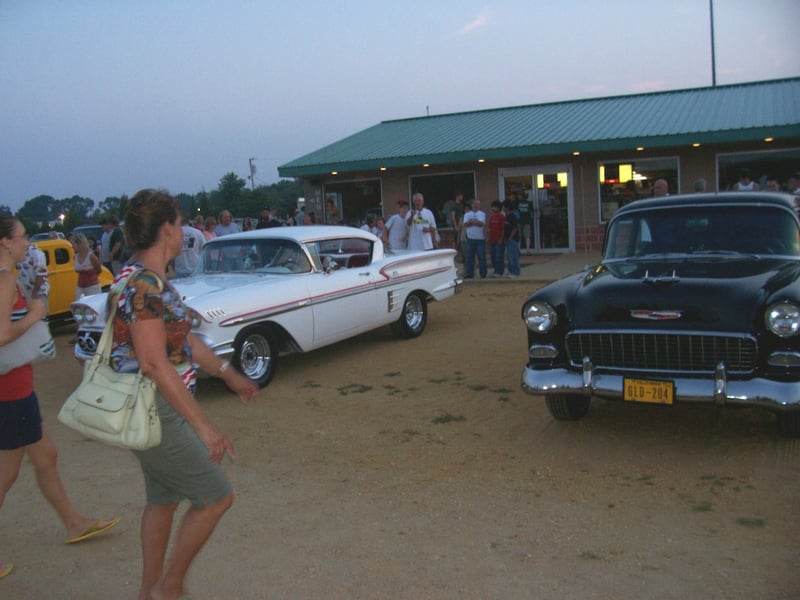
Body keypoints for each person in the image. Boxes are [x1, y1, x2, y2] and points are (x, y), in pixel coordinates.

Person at [111, 189, 257, 600]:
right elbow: (155, 363)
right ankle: (169, 587)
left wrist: (228, 374)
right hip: (158, 410)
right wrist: (205, 427)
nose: (184, 230)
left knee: (162, 499)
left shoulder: (148, 279)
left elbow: (184, 340)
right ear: (167, 230)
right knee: (216, 497)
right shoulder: (144, 285)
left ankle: (148, 591)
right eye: (179, 222)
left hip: (154, 408)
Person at [0, 216, 120, 582]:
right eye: (22, 238)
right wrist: (35, 315)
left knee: (47, 457)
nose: (27, 245)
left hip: (18, 387)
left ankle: (73, 523)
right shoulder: (4, 280)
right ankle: (74, 522)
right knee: (4, 479)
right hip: (11, 393)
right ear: (5, 242)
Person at [15, 242, 49, 310]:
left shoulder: (36, 253)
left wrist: (33, 294)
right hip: (25, 293)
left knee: (39, 317)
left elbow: (40, 275)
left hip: (38, 293)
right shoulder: (19, 253)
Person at [72, 232, 103, 299]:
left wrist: (92, 276)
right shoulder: (75, 257)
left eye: (73, 244)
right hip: (80, 287)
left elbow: (99, 269)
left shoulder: (91, 256)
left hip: (92, 287)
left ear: (80, 244)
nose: (72, 246)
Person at [463, 199, 487, 278]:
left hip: (480, 239)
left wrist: (471, 222)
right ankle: (470, 274)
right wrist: (474, 222)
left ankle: (483, 274)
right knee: (469, 257)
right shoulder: (467, 214)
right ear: (472, 205)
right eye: (475, 204)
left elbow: (481, 224)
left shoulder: (482, 214)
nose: (476, 205)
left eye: (478, 204)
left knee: (482, 257)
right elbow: (466, 224)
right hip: (470, 238)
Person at [488, 200, 506, 277]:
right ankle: (496, 270)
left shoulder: (502, 217)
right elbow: (489, 228)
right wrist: (488, 238)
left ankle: (499, 271)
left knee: (499, 256)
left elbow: (503, 229)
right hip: (492, 240)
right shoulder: (492, 217)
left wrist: (501, 239)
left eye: (494, 207)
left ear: (499, 208)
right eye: (492, 207)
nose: (493, 208)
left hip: (499, 240)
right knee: (493, 257)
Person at [503, 199, 520, 278]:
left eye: (503, 206)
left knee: (513, 256)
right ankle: (511, 271)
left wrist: (510, 237)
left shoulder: (512, 216)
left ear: (506, 207)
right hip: (507, 239)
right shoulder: (507, 216)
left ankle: (515, 272)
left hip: (512, 239)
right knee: (509, 256)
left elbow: (515, 228)